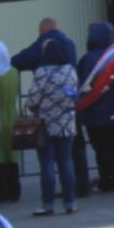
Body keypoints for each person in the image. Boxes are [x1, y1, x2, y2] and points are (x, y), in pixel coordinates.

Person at [23, 35, 80, 218]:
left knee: (47, 164)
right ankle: (70, 202)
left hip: (45, 125)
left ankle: (48, 204)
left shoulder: (42, 72)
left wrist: (35, 107)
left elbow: (33, 98)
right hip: (66, 124)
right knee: (66, 163)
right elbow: (74, 95)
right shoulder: (70, 71)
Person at [74, 23, 114, 195]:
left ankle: (106, 180)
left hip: (94, 110)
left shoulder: (87, 59)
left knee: (100, 147)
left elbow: (83, 85)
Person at [0, 41, 24, 204]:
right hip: (12, 113)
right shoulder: (14, 72)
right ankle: (15, 190)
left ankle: (3, 190)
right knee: (12, 153)